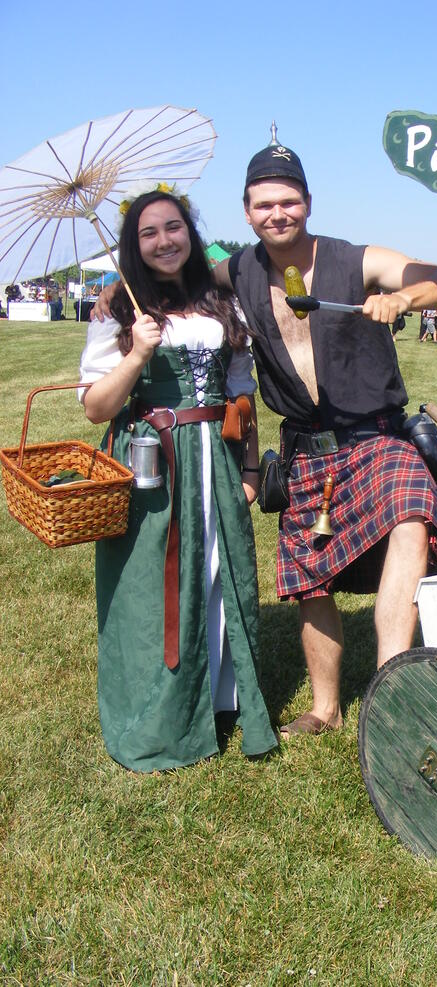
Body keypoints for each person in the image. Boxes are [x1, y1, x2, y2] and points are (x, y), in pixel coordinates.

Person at [213, 140, 437, 736]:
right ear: (247, 212)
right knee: (310, 577)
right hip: (306, 448)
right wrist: (118, 297)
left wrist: (404, 296)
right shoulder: (237, 270)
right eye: (263, 205)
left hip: (377, 436)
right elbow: (175, 281)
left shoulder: (356, 261)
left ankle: (390, 694)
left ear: (308, 202)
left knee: (412, 520)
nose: (276, 213)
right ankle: (325, 708)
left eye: (288, 201)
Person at [79, 189, 276, 771]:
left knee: (218, 568)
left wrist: (247, 468)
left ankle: (218, 698)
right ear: (133, 245)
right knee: (152, 585)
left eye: (173, 228)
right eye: (149, 233)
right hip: (151, 462)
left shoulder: (220, 300)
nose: (164, 241)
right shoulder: (117, 312)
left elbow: (243, 392)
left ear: (190, 232)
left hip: (215, 455)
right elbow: (95, 407)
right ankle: (161, 711)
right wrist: (136, 355)